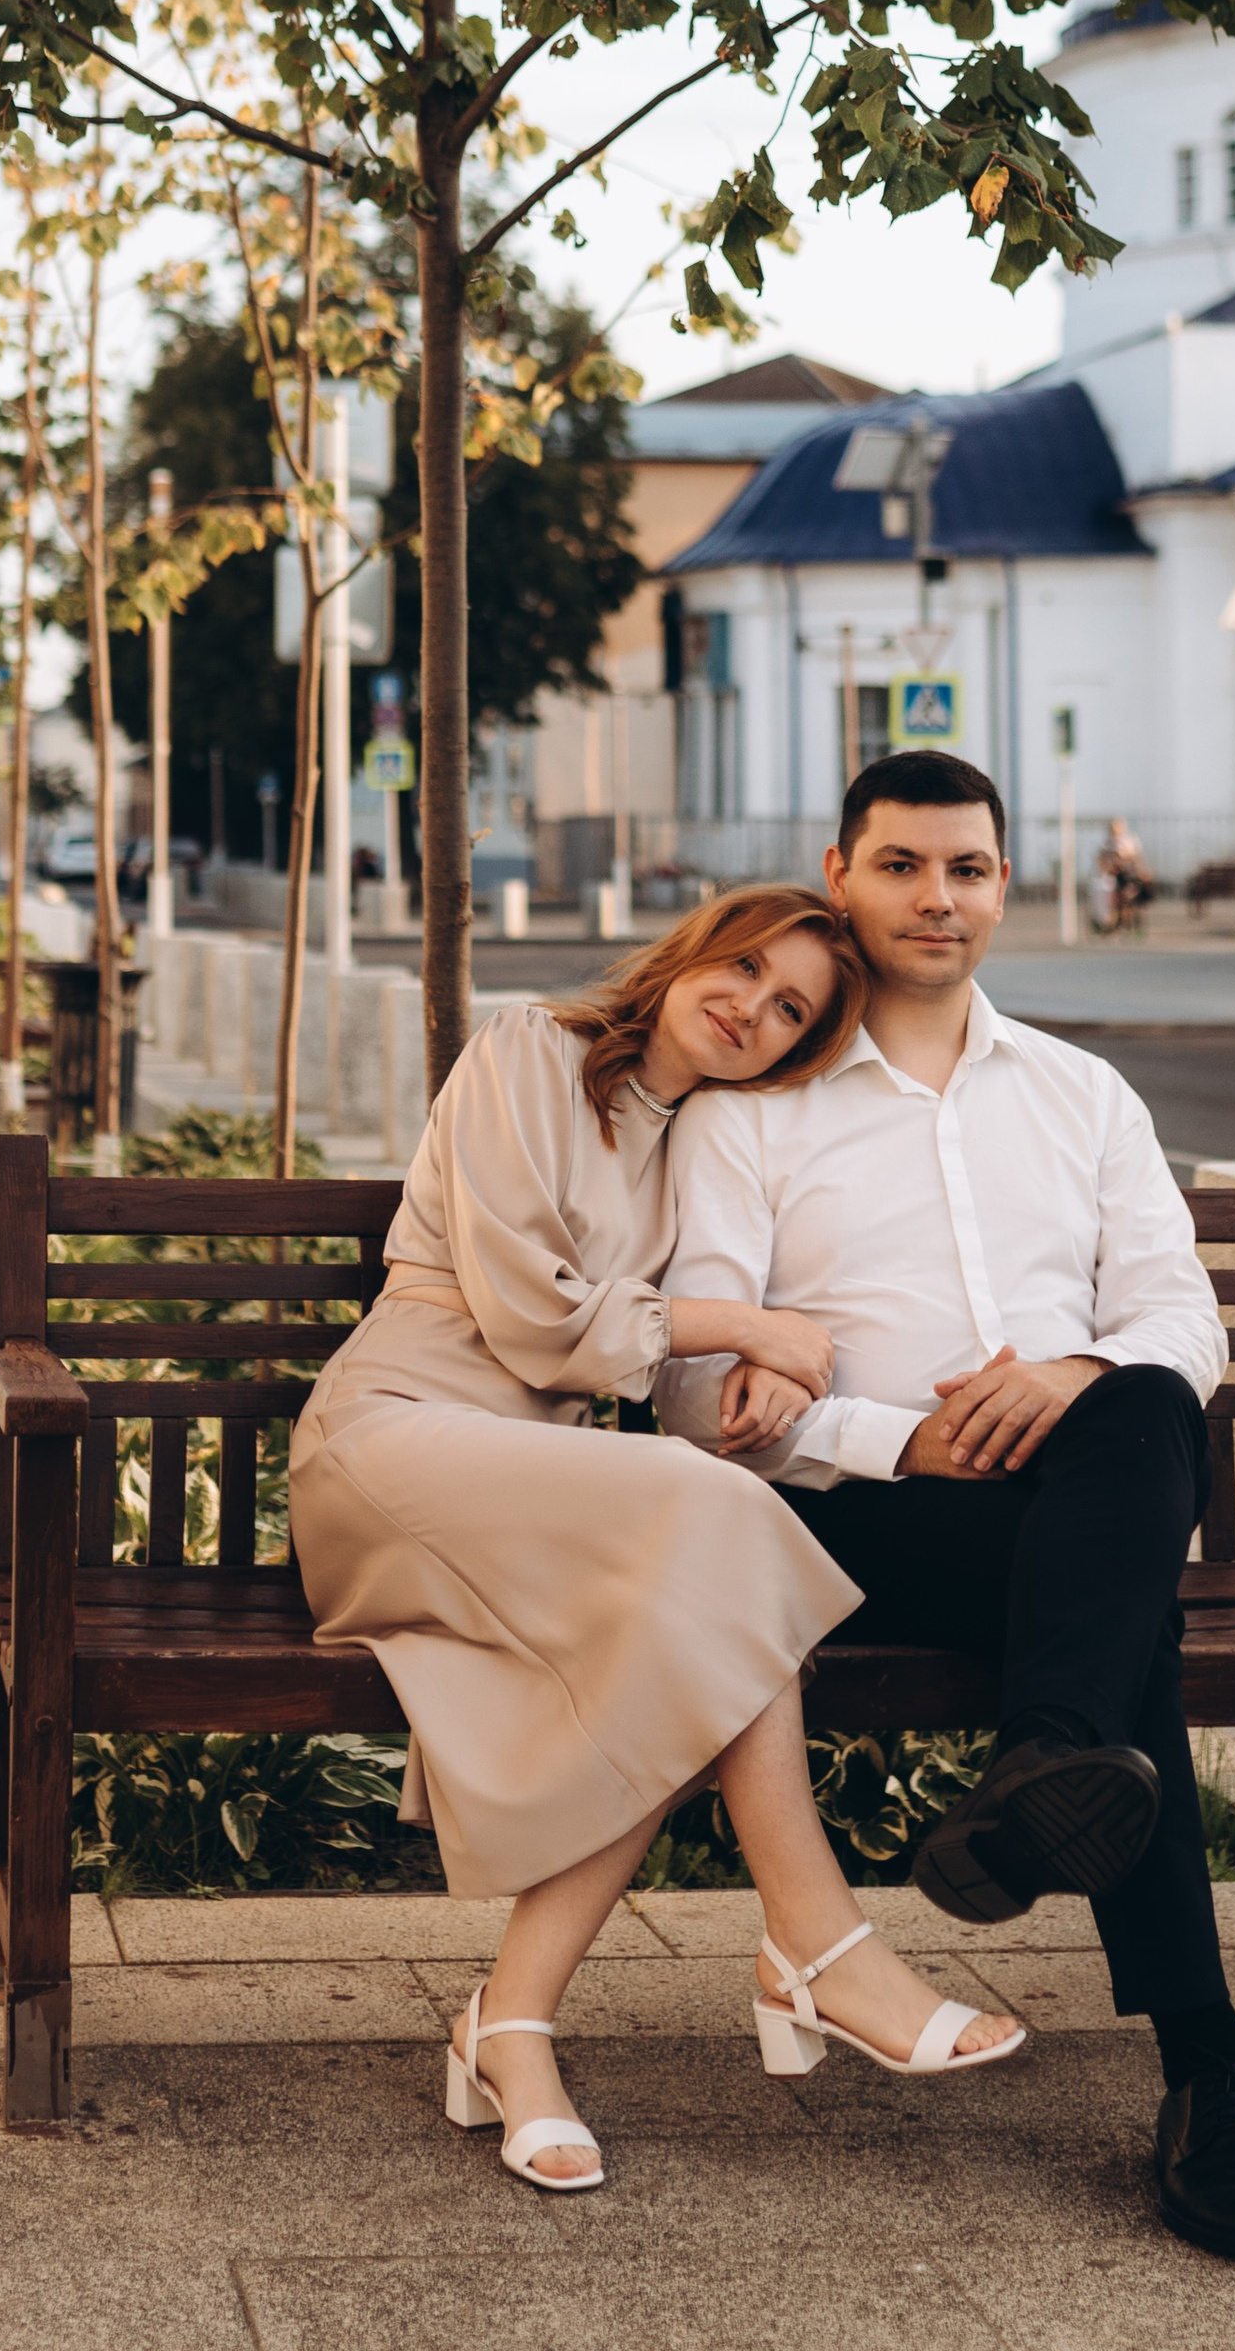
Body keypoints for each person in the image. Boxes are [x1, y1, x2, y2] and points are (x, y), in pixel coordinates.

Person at [657, 754, 1235, 2269]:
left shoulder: (1083, 1096)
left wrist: (1075, 1372)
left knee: (1144, 1400)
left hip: (1073, 1514)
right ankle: (1206, 2071)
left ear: (1006, 883)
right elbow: (696, 1397)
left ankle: (1050, 1767)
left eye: (966, 868)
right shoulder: (755, 1112)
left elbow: (1182, 1324)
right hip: (853, 1532)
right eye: (901, 866)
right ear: (841, 874)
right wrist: (907, 1439)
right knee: (1125, 1617)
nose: (935, 897)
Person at [289, 880, 1025, 2201]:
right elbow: (533, 1315)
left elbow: (694, 1371)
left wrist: (774, 1378)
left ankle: (510, 2030)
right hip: (393, 1445)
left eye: (792, 1009)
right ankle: (813, 1938)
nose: (753, 1008)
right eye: (742, 970)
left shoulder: (705, 1146)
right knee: (719, 1541)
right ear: (689, 956)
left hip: (540, 1489)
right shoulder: (527, 1053)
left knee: (686, 1629)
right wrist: (748, 1333)